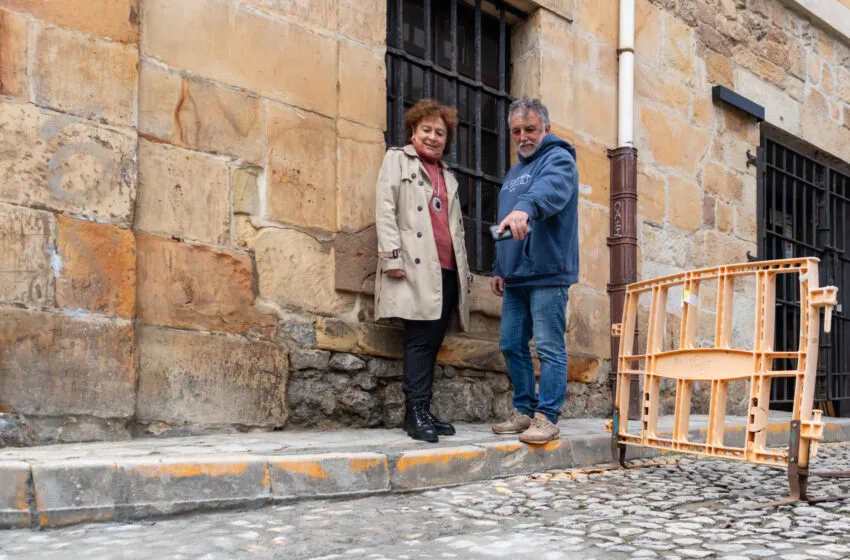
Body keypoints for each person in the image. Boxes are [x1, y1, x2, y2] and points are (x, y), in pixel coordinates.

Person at [374, 99, 471, 443]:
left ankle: (421, 408)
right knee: (418, 339)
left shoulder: (448, 175)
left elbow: (454, 227)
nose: (432, 137)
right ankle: (415, 412)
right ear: (413, 132)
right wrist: (392, 257)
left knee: (433, 342)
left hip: (446, 268)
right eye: (426, 130)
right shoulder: (396, 159)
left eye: (440, 133)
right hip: (414, 265)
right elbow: (385, 209)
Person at [490, 98, 579, 444]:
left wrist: (526, 208)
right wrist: (500, 265)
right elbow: (505, 220)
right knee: (511, 342)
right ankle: (524, 411)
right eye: (516, 131)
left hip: (547, 271)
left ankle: (548, 416)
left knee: (547, 345)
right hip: (516, 275)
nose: (523, 137)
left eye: (530, 129)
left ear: (546, 129)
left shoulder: (559, 159)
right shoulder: (514, 173)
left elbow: (550, 191)